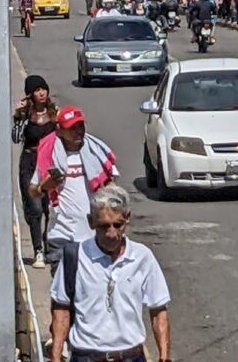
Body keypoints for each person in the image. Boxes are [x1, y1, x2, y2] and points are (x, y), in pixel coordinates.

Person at [50, 185, 171, 362]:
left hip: (131, 356)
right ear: (91, 222)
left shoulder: (142, 257)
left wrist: (164, 357)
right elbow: (61, 310)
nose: (112, 233)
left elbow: (159, 310)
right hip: (86, 356)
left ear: (127, 219)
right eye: (104, 226)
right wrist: (55, 356)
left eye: (118, 225)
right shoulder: (75, 257)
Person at [29, 106, 119, 275]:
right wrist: (44, 187)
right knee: (63, 295)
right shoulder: (50, 155)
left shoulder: (95, 153)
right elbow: (32, 190)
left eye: (81, 126)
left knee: (91, 294)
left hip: (93, 237)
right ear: (60, 131)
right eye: (72, 128)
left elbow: (113, 189)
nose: (78, 132)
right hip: (61, 235)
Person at [13, 75, 57, 268]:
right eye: (37, 90)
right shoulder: (26, 116)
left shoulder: (54, 114)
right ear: (30, 94)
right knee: (35, 208)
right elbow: (15, 138)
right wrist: (17, 116)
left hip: (49, 163)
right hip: (30, 162)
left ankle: (49, 244)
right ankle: (38, 250)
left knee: (50, 208)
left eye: (43, 89)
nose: (41, 93)